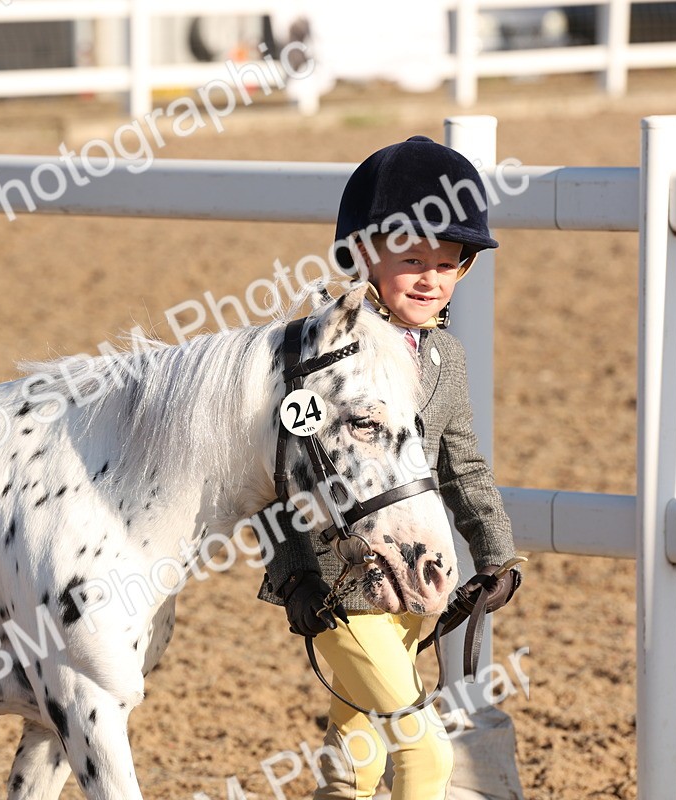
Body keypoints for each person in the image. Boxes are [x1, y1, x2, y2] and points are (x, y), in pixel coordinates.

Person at [258, 135, 523, 799]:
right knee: (425, 754)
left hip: (416, 583)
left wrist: (497, 554)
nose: (431, 278)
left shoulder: (446, 361)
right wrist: (299, 569)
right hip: (336, 582)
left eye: (447, 262)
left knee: (356, 762)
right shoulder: (325, 353)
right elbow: (291, 462)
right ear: (365, 257)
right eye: (411, 260)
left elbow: (462, 462)